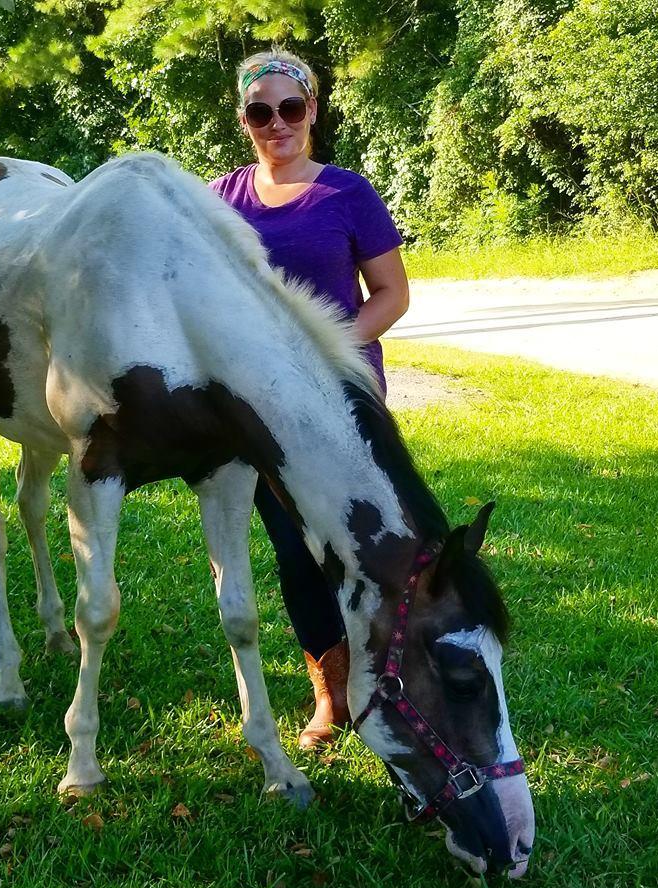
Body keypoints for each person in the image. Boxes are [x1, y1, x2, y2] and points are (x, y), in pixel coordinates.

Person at [209, 48, 409, 749]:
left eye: (290, 108)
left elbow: (392, 294)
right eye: (261, 112)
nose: (277, 123)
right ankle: (331, 689)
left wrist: (322, 352)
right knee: (296, 550)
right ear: (245, 120)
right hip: (261, 411)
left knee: (363, 543)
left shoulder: (346, 194)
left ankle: (386, 675)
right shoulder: (220, 199)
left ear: (313, 110)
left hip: (344, 398)